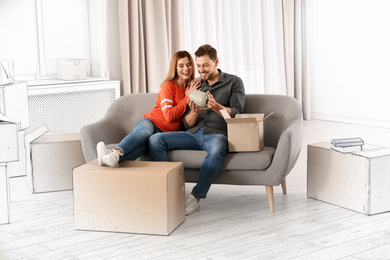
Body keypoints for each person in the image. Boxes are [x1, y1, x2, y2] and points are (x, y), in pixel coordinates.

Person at [149, 44, 245, 215]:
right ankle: (168, 192)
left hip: (217, 135)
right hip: (193, 134)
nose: (201, 70)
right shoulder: (195, 84)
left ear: (216, 62)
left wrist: (216, 107)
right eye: (198, 66)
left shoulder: (234, 82)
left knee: (216, 149)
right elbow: (187, 124)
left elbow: (236, 115)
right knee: (156, 139)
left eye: (206, 65)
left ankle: (195, 197)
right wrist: (193, 112)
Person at [97, 50, 200, 167]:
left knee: (142, 149)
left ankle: (108, 159)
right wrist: (186, 98)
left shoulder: (191, 87)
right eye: (181, 66)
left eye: (188, 64)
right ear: (175, 68)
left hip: (165, 135)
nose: (185, 69)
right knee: (144, 133)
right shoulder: (169, 86)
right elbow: (169, 116)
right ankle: (116, 152)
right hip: (151, 123)